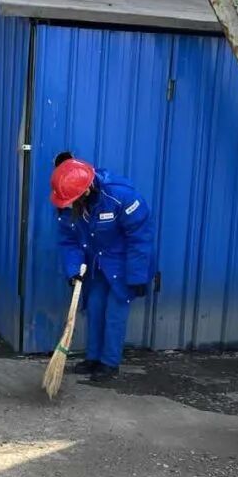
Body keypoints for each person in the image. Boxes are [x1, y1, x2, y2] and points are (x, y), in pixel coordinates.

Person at [51, 153, 155, 382]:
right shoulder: (68, 203)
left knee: (115, 313)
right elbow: (69, 241)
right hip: (97, 264)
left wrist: (137, 276)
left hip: (124, 264)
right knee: (95, 307)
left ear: (86, 191)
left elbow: (140, 238)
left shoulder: (121, 196)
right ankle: (93, 358)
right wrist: (74, 269)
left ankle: (109, 363)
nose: (70, 206)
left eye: (73, 200)